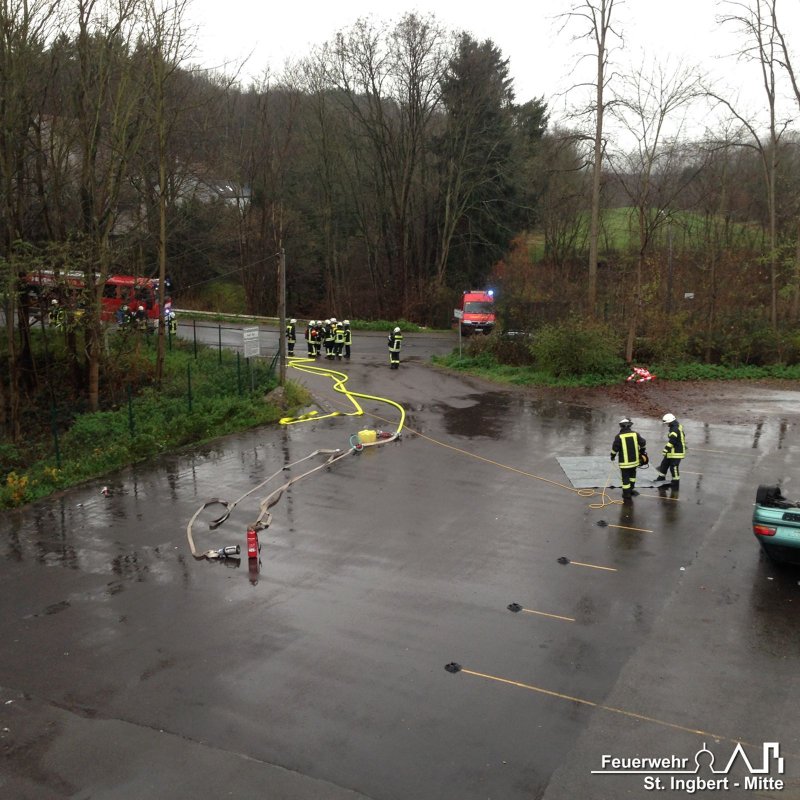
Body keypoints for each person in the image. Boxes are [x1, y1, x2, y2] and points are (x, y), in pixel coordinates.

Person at [610, 417, 647, 500]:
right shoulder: (635, 434)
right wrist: (642, 450)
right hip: (634, 462)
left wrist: (612, 456)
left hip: (625, 463)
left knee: (625, 478)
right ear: (630, 426)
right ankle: (631, 490)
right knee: (632, 476)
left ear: (621, 426)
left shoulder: (618, 436)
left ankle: (626, 494)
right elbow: (643, 442)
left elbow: (615, 448)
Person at [654, 413, 686, 490]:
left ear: (670, 421)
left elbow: (672, 441)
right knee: (664, 464)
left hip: (676, 452)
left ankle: (675, 482)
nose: (666, 424)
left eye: (667, 423)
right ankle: (661, 477)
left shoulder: (674, 429)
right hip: (672, 451)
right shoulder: (676, 426)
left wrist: (665, 450)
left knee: (673, 467)